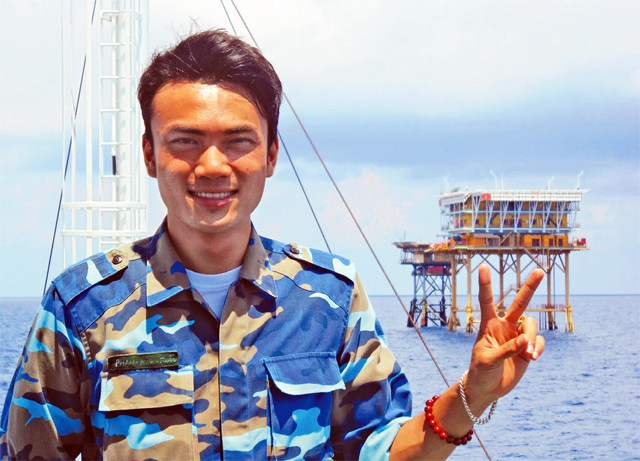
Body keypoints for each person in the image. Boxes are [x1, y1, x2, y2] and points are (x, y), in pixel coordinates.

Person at [0, 29, 544, 460]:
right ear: (149, 154)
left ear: (271, 155)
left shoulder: (330, 297)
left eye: (238, 141)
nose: (213, 166)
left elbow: (383, 448)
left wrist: (475, 392)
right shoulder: (81, 307)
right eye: (185, 141)